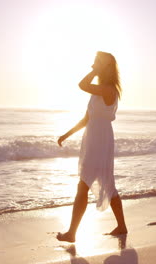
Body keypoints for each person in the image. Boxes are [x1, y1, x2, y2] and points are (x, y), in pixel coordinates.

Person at [56, 51, 127, 243]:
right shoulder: (100, 91)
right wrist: (66, 134)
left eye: (96, 62)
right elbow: (86, 119)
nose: (92, 65)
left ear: (105, 66)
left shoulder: (108, 89)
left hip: (100, 140)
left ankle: (72, 233)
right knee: (107, 183)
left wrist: (95, 71)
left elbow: (82, 85)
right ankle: (122, 226)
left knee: (83, 184)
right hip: (94, 139)